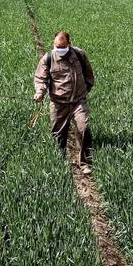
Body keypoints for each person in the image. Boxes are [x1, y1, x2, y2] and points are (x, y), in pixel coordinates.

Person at [33, 30, 95, 175]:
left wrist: (86, 89)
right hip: (59, 103)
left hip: (78, 101)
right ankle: (59, 162)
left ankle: (85, 163)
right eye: (57, 47)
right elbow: (40, 79)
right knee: (58, 134)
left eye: (62, 47)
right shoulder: (47, 59)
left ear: (69, 44)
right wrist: (40, 92)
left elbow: (88, 74)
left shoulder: (79, 55)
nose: (59, 50)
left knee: (83, 128)